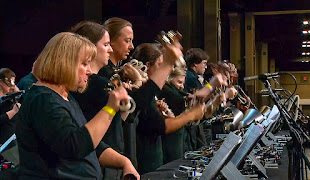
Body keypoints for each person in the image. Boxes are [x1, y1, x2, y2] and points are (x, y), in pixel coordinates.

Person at [15, 32, 139, 179]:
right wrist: (110, 108)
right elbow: (75, 146)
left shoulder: (65, 97)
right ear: (65, 63)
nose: (89, 71)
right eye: (84, 64)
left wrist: (124, 162)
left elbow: (90, 145)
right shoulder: (43, 100)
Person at [131, 43, 227, 174]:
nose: (167, 70)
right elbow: (162, 124)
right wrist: (211, 87)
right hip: (149, 161)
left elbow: (194, 101)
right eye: (161, 65)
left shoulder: (153, 92)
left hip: (161, 155)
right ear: (147, 66)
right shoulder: (160, 90)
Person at [69, 21, 141, 180]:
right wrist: (138, 83)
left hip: (105, 158)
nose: (110, 49)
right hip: (102, 163)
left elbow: (122, 118)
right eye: (107, 44)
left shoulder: (98, 83)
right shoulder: (98, 84)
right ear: (90, 47)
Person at [157, 67, 188, 164]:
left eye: (183, 83)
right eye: (179, 82)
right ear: (168, 79)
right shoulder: (168, 92)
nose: (182, 87)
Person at [0, 68, 20, 147]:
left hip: (12, 140)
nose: (11, 85)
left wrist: (16, 91)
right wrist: (13, 112)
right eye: (9, 82)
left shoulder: (9, 98)